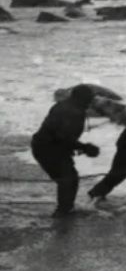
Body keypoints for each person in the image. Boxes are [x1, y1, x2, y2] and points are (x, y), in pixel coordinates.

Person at [31, 84, 100, 217]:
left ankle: (66, 208)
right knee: (68, 179)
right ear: (82, 99)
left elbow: (62, 136)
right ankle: (63, 211)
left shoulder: (64, 105)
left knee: (69, 178)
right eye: (89, 100)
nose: (90, 103)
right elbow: (62, 137)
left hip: (46, 146)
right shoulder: (73, 112)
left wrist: (80, 147)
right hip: (48, 149)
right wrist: (85, 148)